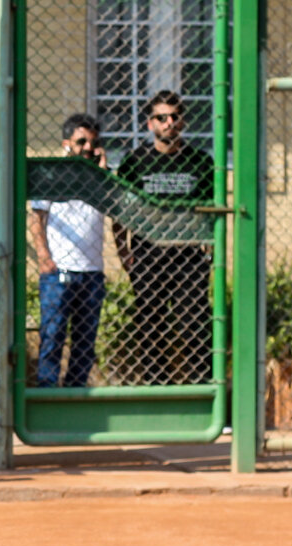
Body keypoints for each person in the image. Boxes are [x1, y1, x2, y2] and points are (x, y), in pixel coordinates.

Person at [114, 90, 216, 385]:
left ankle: (202, 388)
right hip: (148, 253)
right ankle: (156, 389)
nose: (169, 123)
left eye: (174, 117)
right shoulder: (135, 162)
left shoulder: (200, 162)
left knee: (194, 325)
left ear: (183, 121)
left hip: (188, 255)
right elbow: (120, 211)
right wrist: (124, 252)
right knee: (151, 324)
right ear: (150, 124)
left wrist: (209, 252)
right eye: (162, 118)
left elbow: (211, 211)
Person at [29, 113, 109, 388]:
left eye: (92, 142)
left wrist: (103, 173)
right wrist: (44, 259)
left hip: (92, 273)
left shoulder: (103, 178)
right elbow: (36, 219)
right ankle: (47, 394)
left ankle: (75, 395)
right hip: (58, 271)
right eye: (81, 141)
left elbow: (115, 210)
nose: (87, 147)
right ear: (67, 143)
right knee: (52, 336)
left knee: (85, 342)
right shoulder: (52, 175)